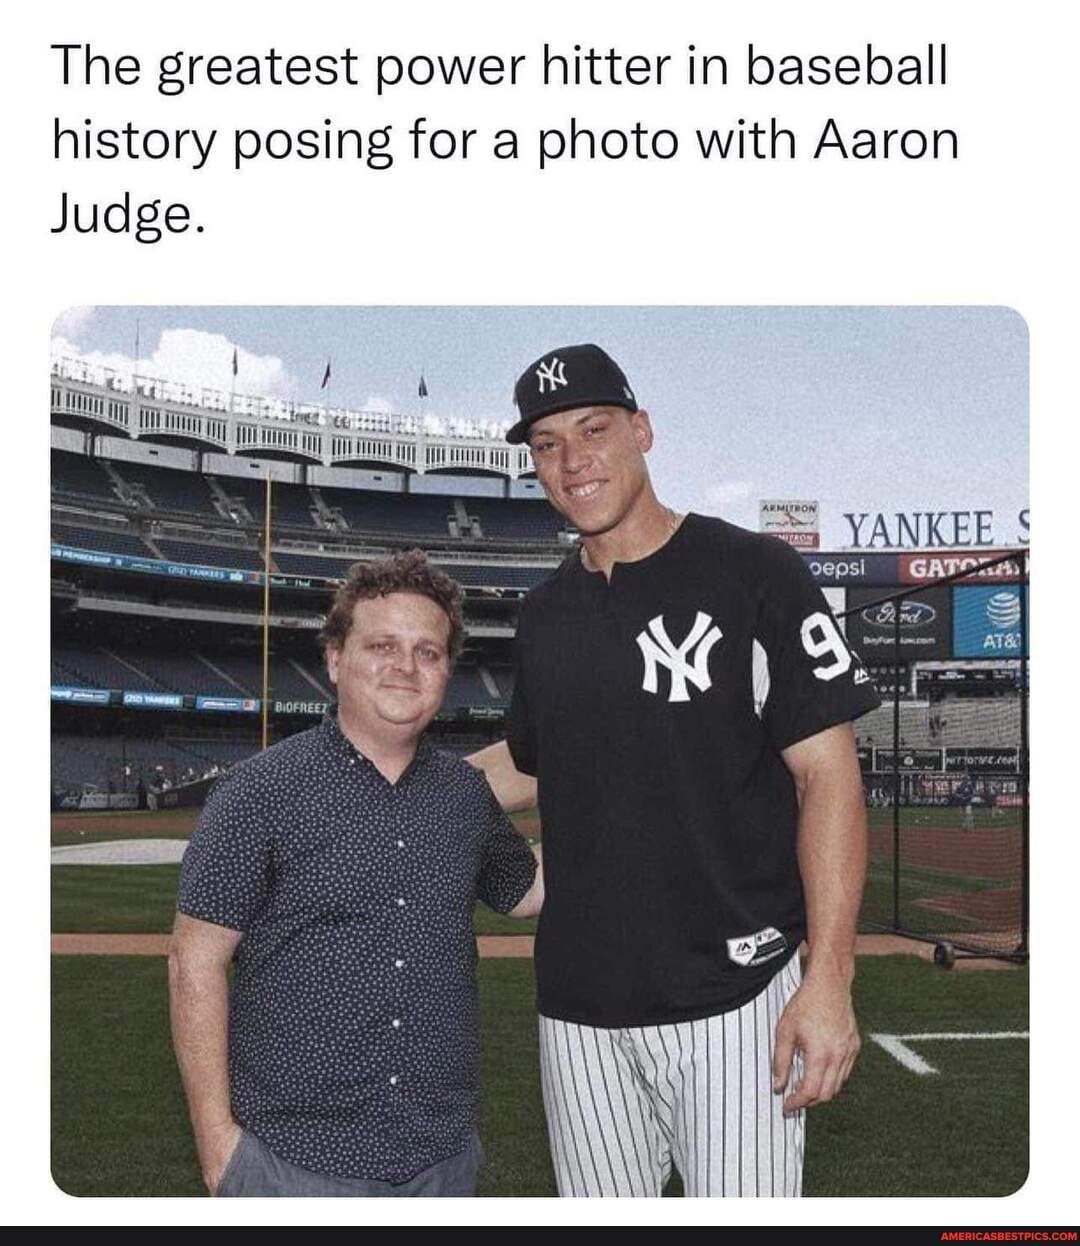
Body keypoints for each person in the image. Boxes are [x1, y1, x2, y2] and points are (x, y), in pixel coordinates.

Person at [468, 343, 880, 1197]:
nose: (572, 460)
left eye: (593, 429)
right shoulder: (544, 616)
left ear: (642, 431)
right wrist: (375, 778)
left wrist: (830, 976)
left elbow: (827, 775)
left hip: (735, 994)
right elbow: (535, 762)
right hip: (577, 1006)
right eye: (547, 444)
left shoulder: (753, 572)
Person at [169, 550, 542, 1197]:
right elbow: (193, 962)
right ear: (336, 659)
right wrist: (217, 1146)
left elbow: (525, 891)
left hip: (440, 1161)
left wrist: (634, 822)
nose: (406, 666)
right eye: (383, 646)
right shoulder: (258, 791)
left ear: (447, 671)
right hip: (291, 1164)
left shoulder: (463, 794)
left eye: (428, 652)